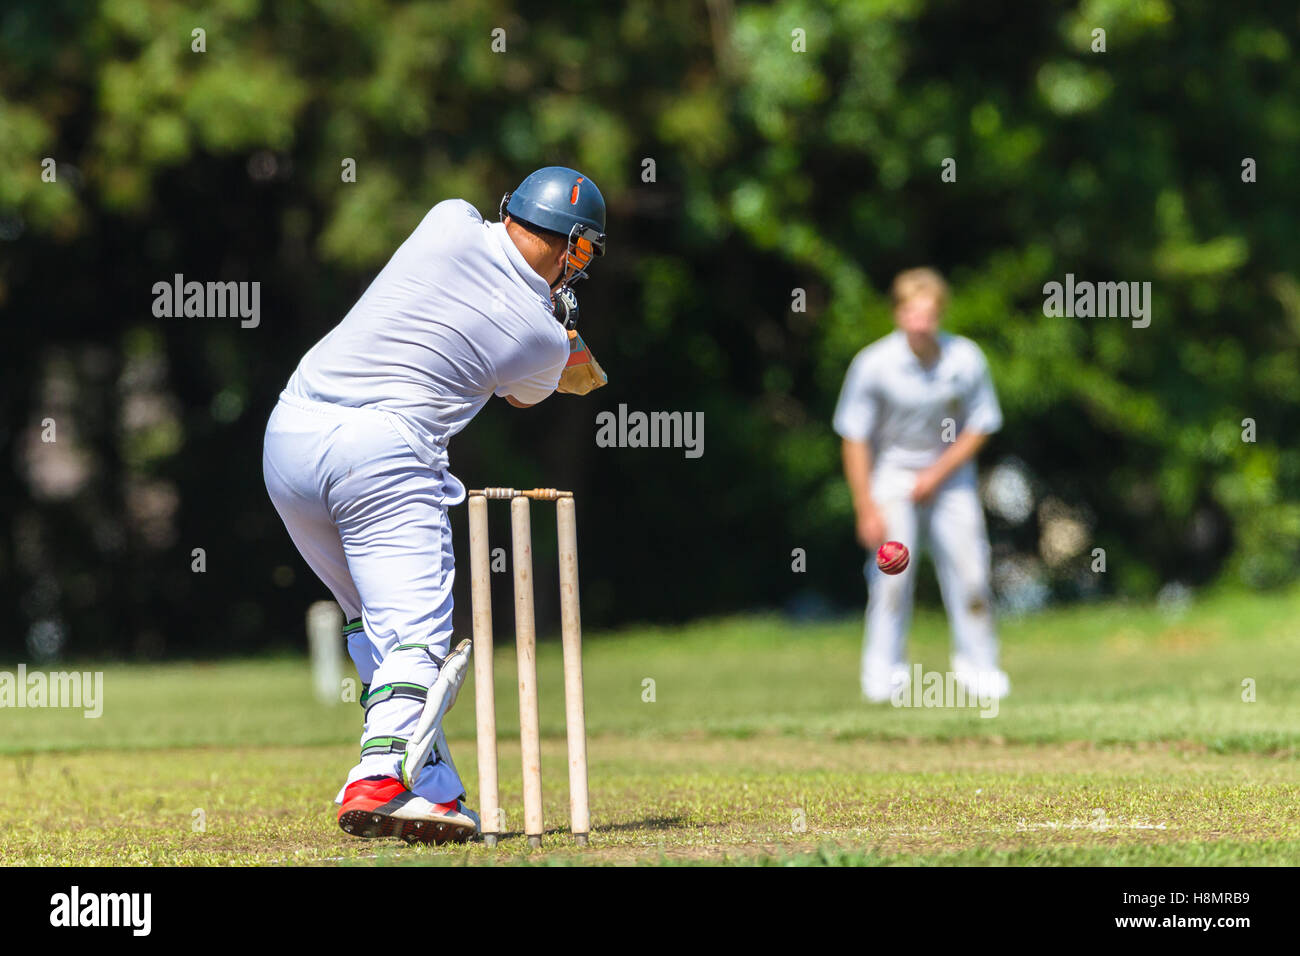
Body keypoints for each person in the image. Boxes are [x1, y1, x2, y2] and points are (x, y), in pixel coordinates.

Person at [262, 166, 607, 843]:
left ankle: (434, 793)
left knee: (378, 632)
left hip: (291, 434)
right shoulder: (539, 341)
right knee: (418, 641)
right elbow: (535, 390)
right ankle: (379, 777)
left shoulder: (447, 217)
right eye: (584, 250)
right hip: (383, 454)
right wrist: (560, 323)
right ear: (572, 249)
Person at [833, 267, 1009, 703]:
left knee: (971, 574)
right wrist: (866, 506)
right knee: (892, 576)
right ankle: (883, 676)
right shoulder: (873, 365)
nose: (920, 321)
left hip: (950, 479)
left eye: (928, 312)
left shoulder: (965, 359)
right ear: (897, 313)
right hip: (893, 477)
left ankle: (979, 669)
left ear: (940, 314)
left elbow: (981, 425)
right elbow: (854, 436)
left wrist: (936, 475)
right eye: (911, 311)